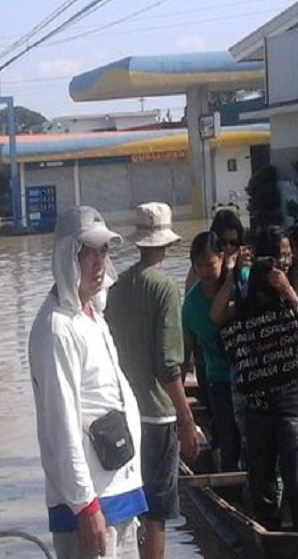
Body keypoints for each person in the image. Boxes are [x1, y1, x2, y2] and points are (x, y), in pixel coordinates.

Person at [28, 205, 146, 559]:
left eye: (104, 252)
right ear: (67, 257)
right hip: (92, 501)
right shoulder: (56, 328)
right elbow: (61, 426)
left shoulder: (92, 316)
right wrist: (85, 505)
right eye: (88, 253)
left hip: (120, 489)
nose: (98, 263)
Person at [106, 202, 197, 559]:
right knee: (156, 515)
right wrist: (187, 419)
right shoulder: (165, 289)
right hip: (158, 417)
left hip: (124, 414)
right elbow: (168, 365)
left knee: (133, 509)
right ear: (166, 244)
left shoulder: (118, 287)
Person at [220, 257, 298, 531]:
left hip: (291, 410)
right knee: (264, 484)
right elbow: (216, 316)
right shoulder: (243, 313)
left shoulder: (290, 306)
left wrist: (289, 292)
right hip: (261, 411)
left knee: (296, 486)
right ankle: (272, 536)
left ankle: (297, 535)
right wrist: (232, 274)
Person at [182, 232, 242, 472]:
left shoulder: (242, 281)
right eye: (199, 266)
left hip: (250, 376)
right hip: (217, 377)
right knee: (227, 442)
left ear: (222, 258)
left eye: (210, 265)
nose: (206, 272)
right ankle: (231, 488)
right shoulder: (191, 304)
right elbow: (185, 357)